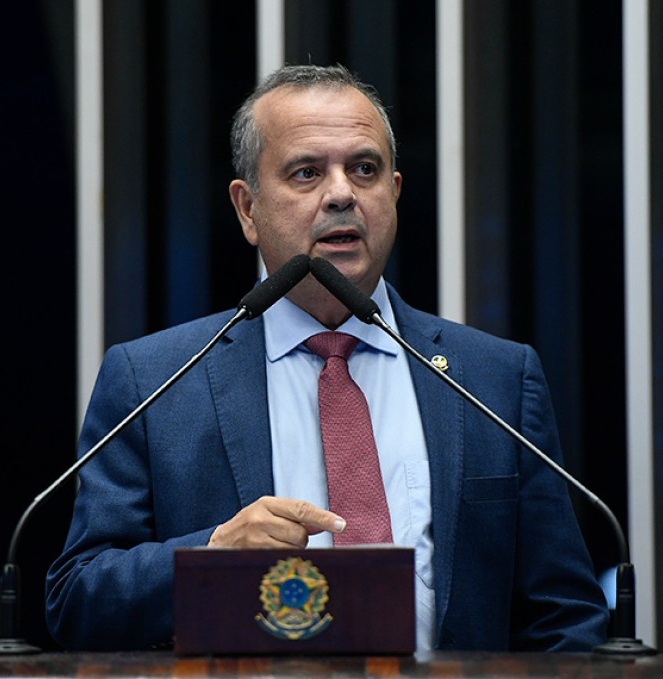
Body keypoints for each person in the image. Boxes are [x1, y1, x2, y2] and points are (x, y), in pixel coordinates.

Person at [45, 64, 609, 652]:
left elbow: (565, 619)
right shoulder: (155, 381)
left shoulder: (495, 379)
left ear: (394, 192)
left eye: (364, 169)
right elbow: (77, 598)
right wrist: (211, 555)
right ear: (247, 209)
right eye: (306, 172)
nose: (341, 194)